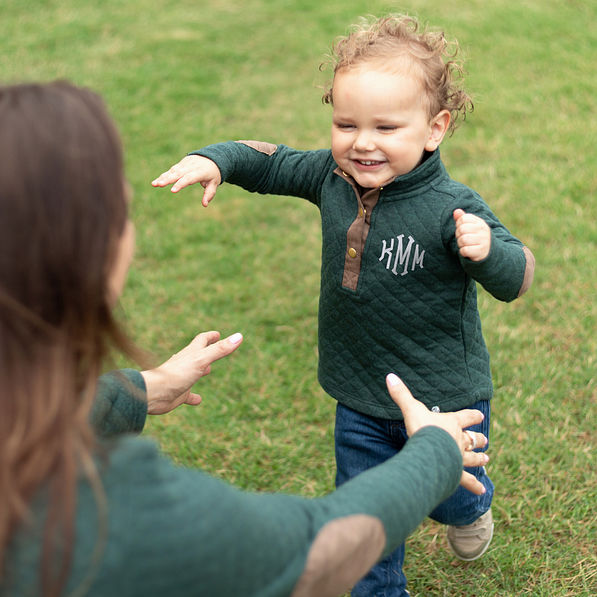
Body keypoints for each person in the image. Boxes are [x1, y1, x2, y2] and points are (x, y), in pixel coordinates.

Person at [0, 81, 493, 597]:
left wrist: (135, 390)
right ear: (93, 259)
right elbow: (318, 551)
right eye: (122, 213)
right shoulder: (123, 513)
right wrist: (435, 452)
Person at [152, 14, 536, 596]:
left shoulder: (452, 206)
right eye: (345, 123)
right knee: (365, 527)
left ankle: (467, 513)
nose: (362, 142)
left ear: (435, 128)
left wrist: (487, 253)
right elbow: (272, 161)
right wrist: (218, 160)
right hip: (359, 391)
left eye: (386, 126)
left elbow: (517, 277)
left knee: (452, 497)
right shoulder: (331, 177)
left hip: (444, 397)